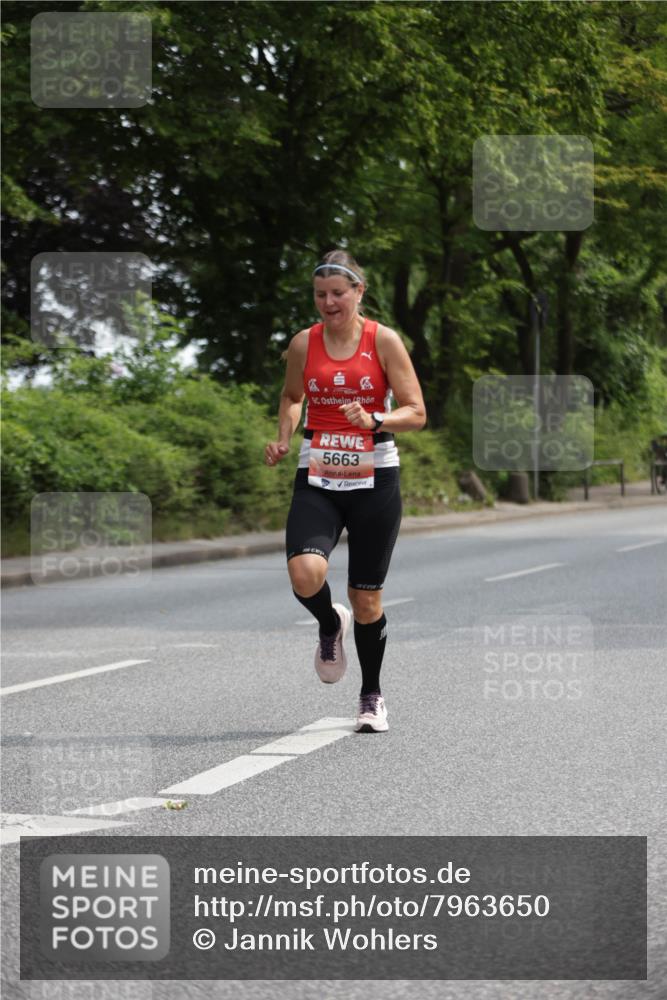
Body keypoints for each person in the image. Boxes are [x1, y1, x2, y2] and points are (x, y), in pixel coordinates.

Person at [264, 249, 426, 732]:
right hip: (318, 474)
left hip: (375, 478)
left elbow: (416, 412)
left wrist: (376, 418)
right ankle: (329, 624)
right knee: (305, 574)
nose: (329, 302)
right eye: (320, 294)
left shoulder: (383, 341)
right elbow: (292, 396)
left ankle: (371, 695)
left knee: (366, 600)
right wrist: (284, 436)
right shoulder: (304, 343)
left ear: (359, 291)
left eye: (338, 293)